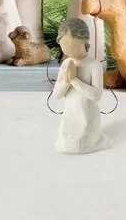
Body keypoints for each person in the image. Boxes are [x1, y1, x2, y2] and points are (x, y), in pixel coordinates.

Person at [51, 18, 111, 154]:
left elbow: (96, 95)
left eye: (71, 46)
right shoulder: (66, 64)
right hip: (70, 115)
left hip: (87, 115)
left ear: (84, 41)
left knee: (81, 143)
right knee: (67, 143)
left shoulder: (94, 65)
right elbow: (56, 94)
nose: (67, 51)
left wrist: (74, 80)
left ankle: (90, 137)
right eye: (64, 48)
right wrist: (66, 81)